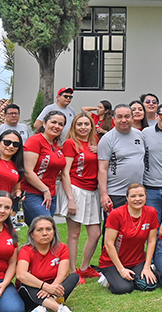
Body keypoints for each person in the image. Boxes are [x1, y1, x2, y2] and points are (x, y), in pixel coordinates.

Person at [61, 113, 103, 282]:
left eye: (87, 124)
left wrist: (99, 151)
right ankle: (73, 271)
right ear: (74, 126)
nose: (83, 127)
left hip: (92, 191)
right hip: (76, 189)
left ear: (92, 126)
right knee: (74, 233)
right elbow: (65, 172)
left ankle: (84, 267)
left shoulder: (95, 142)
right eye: (80, 124)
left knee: (95, 233)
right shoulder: (71, 143)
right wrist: (70, 198)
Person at [98, 184, 160, 294]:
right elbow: (109, 244)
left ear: (146, 196)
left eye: (141, 195)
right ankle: (106, 279)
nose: (137, 199)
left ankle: (137, 274)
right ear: (127, 198)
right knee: (124, 288)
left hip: (136, 261)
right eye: (133, 196)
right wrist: (121, 270)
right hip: (112, 262)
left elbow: (151, 241)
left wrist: (146, 267)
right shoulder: (116, 214)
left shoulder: (151, 212)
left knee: (149, 285)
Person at [16, 215, 79, 312]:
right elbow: (21, 274)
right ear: (32, 234)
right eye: (39, 230)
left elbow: (62, 274)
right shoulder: (26, 250)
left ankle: (43, 307)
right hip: (32, 289)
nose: (45, 233)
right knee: (27, 284)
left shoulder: (62, 248)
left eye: (48, 229)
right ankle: (60, 309)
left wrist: (51, 288)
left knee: (74, 277)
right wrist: (45, 287)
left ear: (54, 232)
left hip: (54, 287)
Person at [98, 104, 146, 211]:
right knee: (114, 222)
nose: (124, 120)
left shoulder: (140, 135)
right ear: (114, 118)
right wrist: (104, 194)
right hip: (116, 193)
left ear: (132, 118)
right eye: (119, 117)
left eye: (127, 116)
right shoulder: (107, 139)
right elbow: (102, 169)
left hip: (137, 193)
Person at [22, 110, 67, 224]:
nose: (57, 126)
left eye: (61, 124)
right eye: (53, 122)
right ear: (44, 123)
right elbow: (27, 171)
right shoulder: (35, 141)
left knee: (43, 230)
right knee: (45, 226)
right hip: (33, 193)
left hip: (51, 194)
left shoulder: (56, 146)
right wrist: (45, 190)